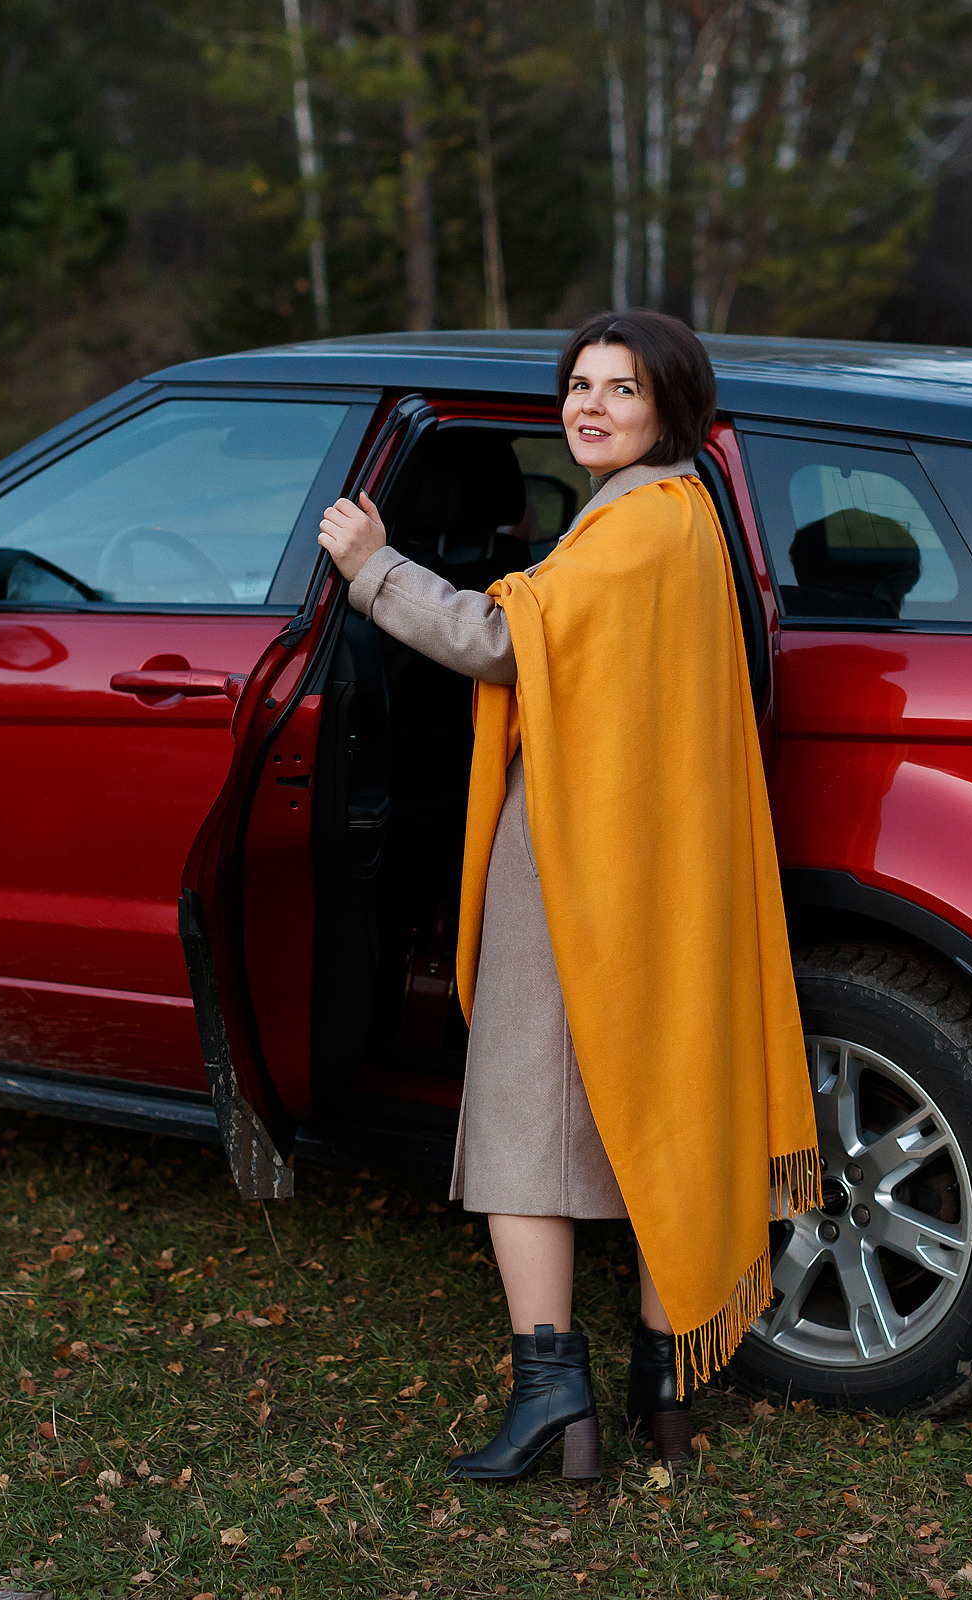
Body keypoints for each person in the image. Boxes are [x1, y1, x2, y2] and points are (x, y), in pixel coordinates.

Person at [316, 309, 820, 1483]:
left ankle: (553, 1402)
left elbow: (500, 639)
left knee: (518, 1123)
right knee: (665, 1111)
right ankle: (664, 1389)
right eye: (578, 386)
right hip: (663, 865)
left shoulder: (630, 529)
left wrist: (370, 566)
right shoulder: (690, 513)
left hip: (584, 865)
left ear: (669, 411)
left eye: (620, 391)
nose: (589, 407)